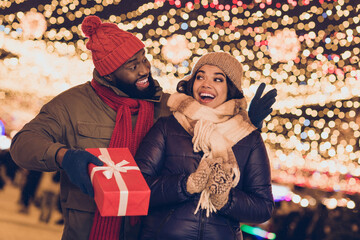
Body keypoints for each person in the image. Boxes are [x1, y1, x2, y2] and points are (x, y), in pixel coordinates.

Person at [10, 15, 276, 240]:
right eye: (132, 65)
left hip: (145, 231)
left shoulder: (167, 106)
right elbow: (23, 144)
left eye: (144, 59)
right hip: (91, 229)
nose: (144, 70)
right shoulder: (73, 104)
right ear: (108, 73)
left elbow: (214, 125)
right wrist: (64, 156)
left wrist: (247, 124)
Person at [134, 52, 275, 240]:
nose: (206, 84)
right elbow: (137, 186)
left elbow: (263, 208)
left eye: (218, 79)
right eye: (200, 76)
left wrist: (226, 199)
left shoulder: (249, 138)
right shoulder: (167, 126)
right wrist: (185, 185)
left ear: (230, 88)